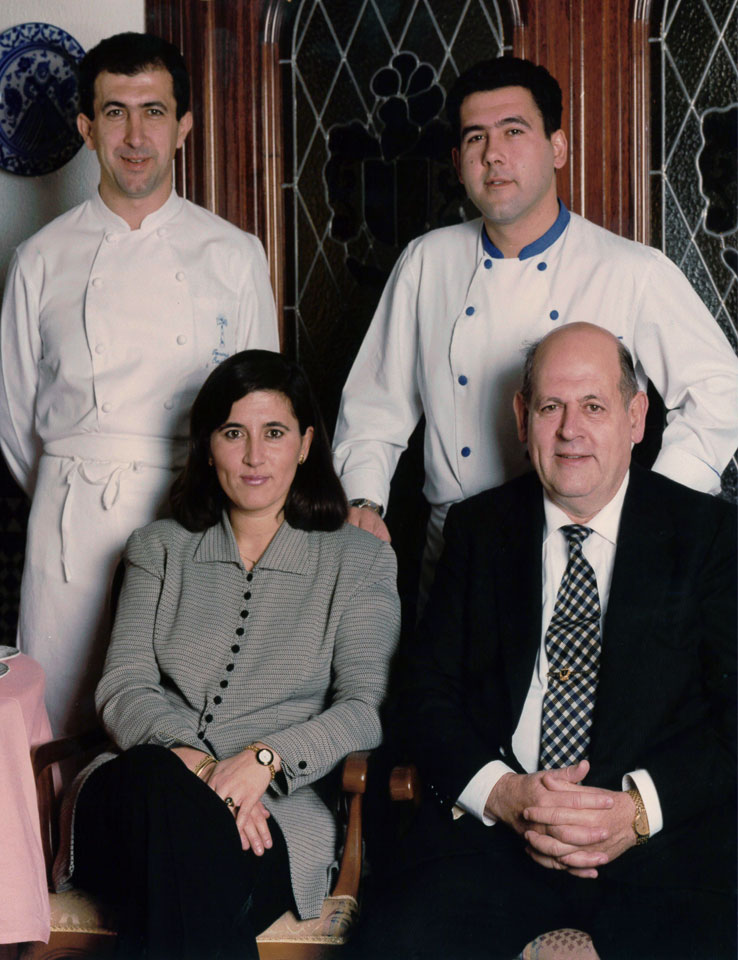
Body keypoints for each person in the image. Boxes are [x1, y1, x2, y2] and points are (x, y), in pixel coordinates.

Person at [353, 323, 736, 960]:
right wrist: (503, 795)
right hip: (493, 843)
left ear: (636, 417)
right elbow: (424, 695)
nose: (570, 431)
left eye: (594, 407)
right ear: (522, 417)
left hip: (659, 855)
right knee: (394, 943)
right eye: (552, 407)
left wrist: (637, 809)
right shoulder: (478, 529)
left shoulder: (710, 535)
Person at [332, 56, 738, 598]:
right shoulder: (426, 262)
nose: (493, 154)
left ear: (558, 148)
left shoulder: (631, 269)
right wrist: (363, 502)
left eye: (513, 131)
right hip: (454, 550)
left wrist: (651, 506)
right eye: (475, 138)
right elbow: (373, 407)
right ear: (458, 162)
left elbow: (720, 391)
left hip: (582, 548)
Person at [53, 349, 400, 960]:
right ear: (208, 446)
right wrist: (201, 766)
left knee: (185, 866)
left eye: (274, 433)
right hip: (137, 790)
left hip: (274, 818)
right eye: (233, 433)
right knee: (161, 793)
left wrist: (266, 760)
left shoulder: (360, 561)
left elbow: (363, 708)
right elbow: (124, 685)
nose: (254, 456)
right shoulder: (158, 548)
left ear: (305, 444)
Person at [0, 32, 279, 734]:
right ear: (86, 129)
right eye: (115, 112)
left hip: (194, 517)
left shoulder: (236, 254)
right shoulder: (39, 258)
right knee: (62, 722)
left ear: (184, 126)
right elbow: (11, 421)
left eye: (153, 111)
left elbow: (259, 409)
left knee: (186, 723)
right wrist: (74, 484)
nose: (135, 134)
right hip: (71, 528)